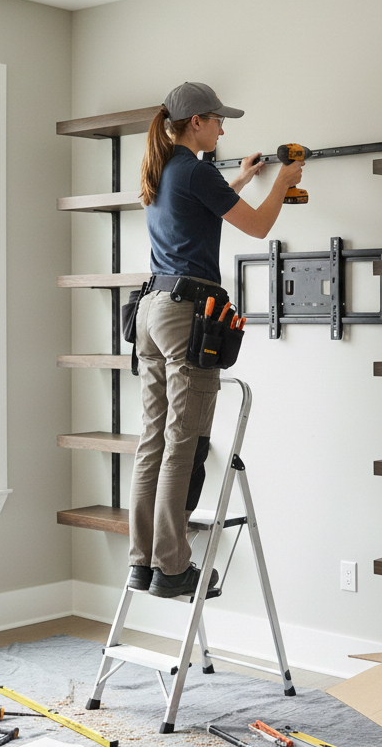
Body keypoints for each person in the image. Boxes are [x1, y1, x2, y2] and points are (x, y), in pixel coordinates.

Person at [128, 81, 302, 598]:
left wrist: (243, 179)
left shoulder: (163, 171)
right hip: (186, 314)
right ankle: (174, 567)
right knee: (186, 440)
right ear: (197, 122)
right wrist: (283, 182)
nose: (224, 129)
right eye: (219, 120)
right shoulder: (196, 171)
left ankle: (144, 562)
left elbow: (200, 213)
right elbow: (258, 227)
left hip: (152, 309)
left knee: (153, 441)